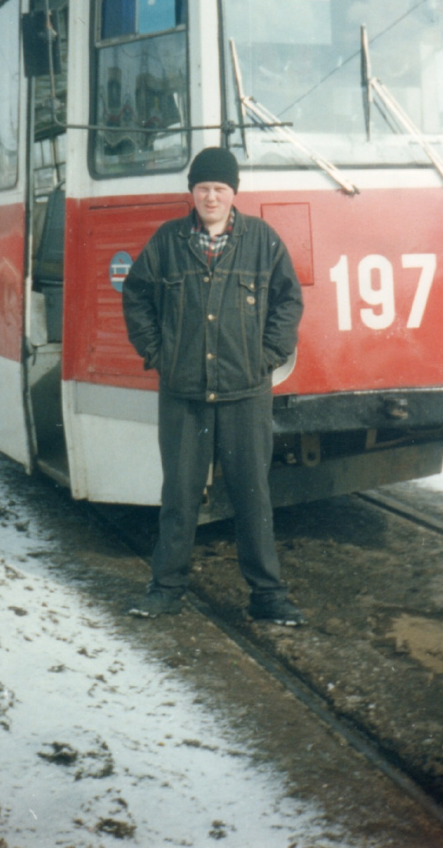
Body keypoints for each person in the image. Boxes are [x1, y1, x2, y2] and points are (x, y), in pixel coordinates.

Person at [121, 146, 306, 625]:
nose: (211, 197)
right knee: (179, 497)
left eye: (220, 188)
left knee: (252, 497)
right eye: (203, 188)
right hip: (183, 394)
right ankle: (166, 590)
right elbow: (136, 296)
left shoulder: (262, 240)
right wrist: (159, 355)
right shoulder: (167, 241)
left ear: (233, 193)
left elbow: (289, 301)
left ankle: (268, 595)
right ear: (192, 192)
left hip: (246, 393)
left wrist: (266, 357)